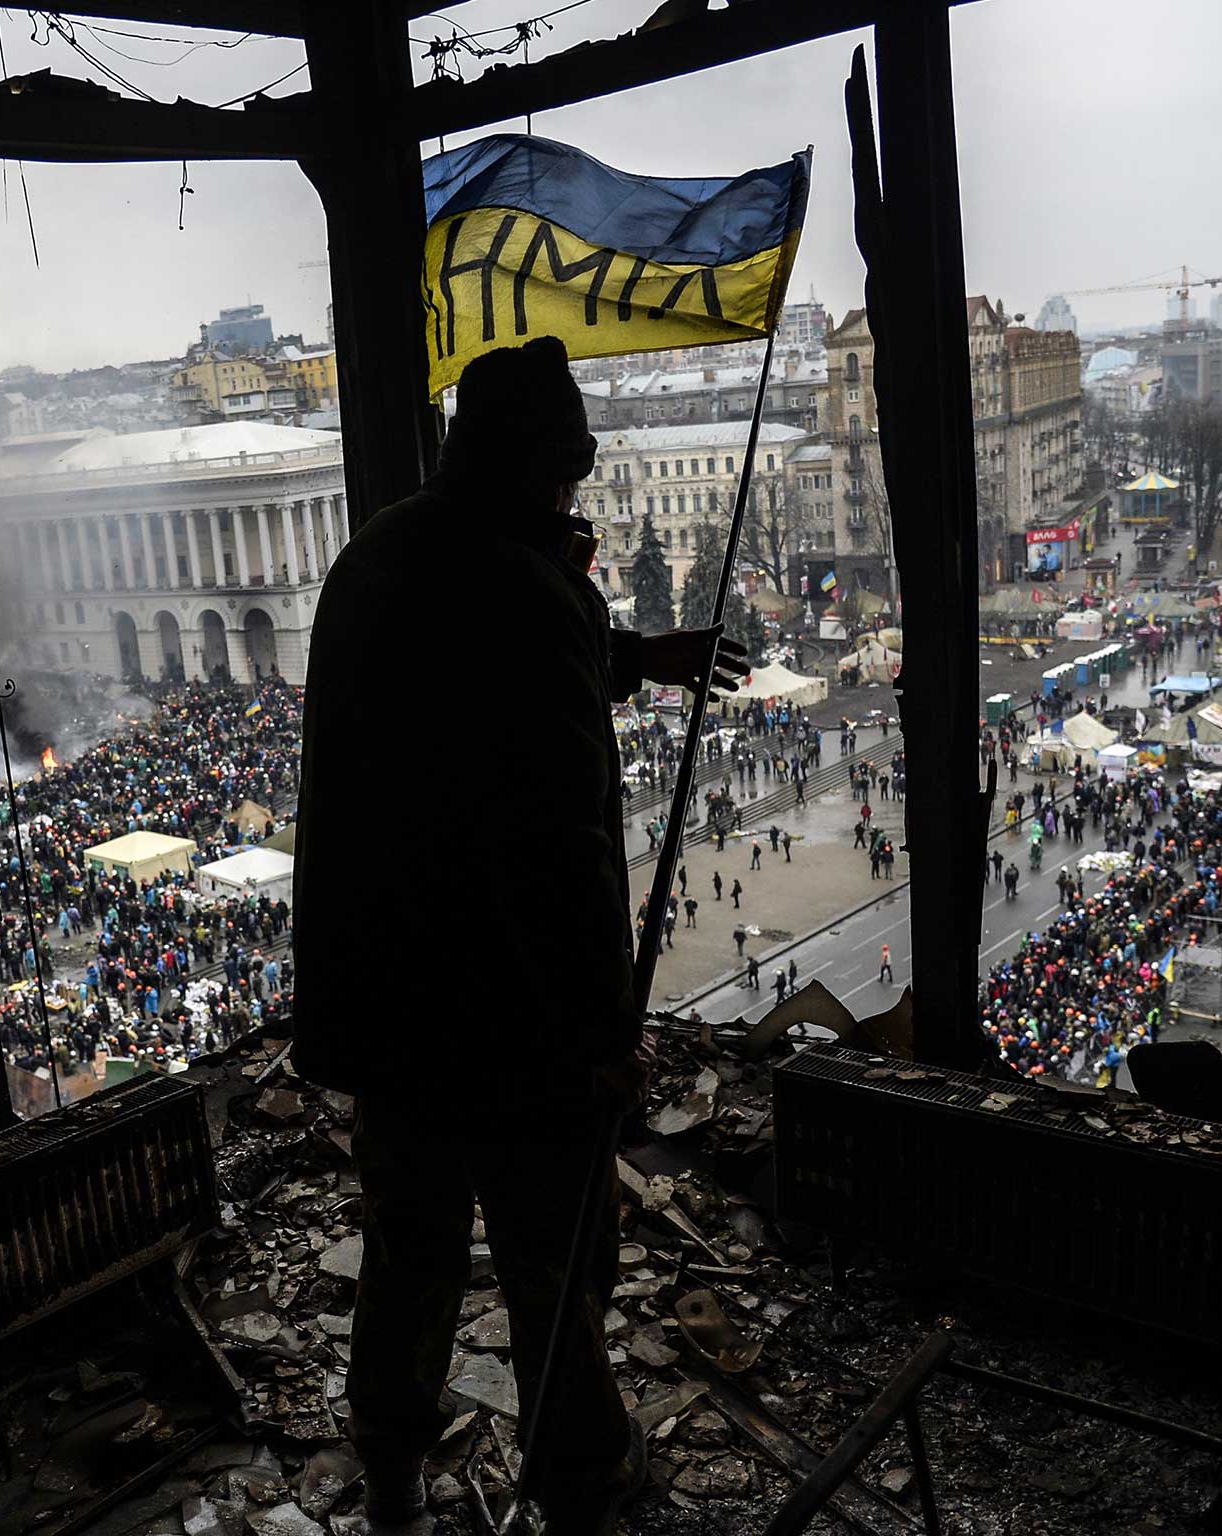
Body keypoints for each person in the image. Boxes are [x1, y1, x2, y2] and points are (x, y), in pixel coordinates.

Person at [292, 339, 748, 1532]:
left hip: (390, 1007)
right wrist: (604, 1032)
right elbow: (563, 849)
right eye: (563, 475)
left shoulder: (377, 557)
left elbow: (459, 680)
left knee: (409, 1255)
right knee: (558, 1257)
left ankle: (391, 1471)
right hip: (511, 1018)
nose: (571, 498)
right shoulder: (531, 587)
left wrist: (632, 658)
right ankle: (581, 1477)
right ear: (539, 467)